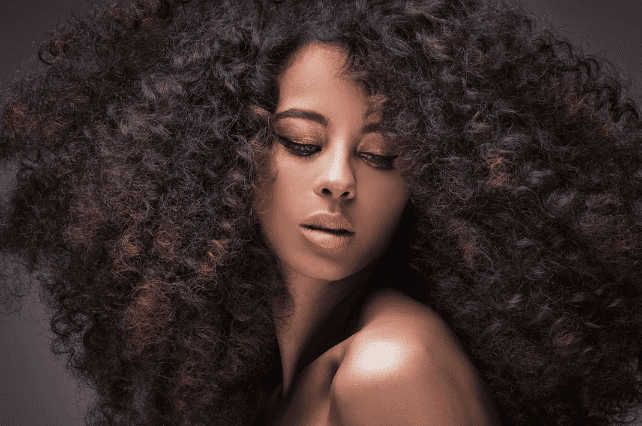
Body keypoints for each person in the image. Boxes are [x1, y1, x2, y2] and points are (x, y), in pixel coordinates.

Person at [0, 0, 641, 425]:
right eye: (301, 143)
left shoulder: (391, 364)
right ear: (226, 150)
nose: (338, 180)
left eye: (382, 155)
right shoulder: (250, 388)